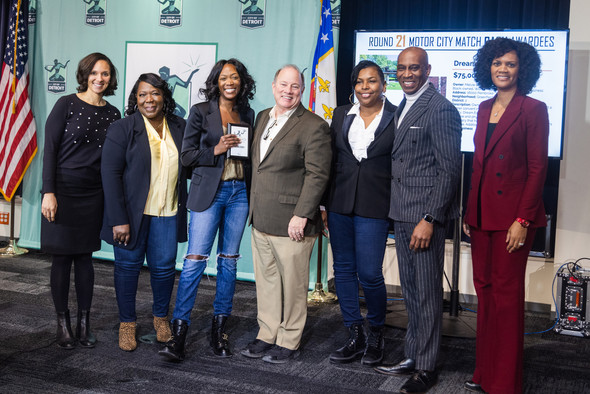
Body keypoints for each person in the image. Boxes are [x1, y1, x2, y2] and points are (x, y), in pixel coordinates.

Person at [462, 38, 548, 394]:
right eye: (497, 63)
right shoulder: (483, 107)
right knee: (484, 293)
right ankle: (485, 371)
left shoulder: (533, 108)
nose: (502, 69)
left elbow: (537, 168)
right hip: (482, 217)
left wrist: (523, 220)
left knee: (507, 298)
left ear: (521, 70)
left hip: (513, 220)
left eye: (510, 64)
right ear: (488, 67)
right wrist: (470, 211)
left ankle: (505, 383)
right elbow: (479, 166)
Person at [374, 47, 462, 394]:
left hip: (424, 217)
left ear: (427, 69)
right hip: (402, 211)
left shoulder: (441, 109)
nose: (407, 73)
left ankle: (426, 368)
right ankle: (413, 354)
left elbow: (449, 170)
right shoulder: (403, 105)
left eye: (414, 68)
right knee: (411, 291)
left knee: (426, 294)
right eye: (401, 68)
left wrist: (430, 217)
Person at [159, 59, 256, 362]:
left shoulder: (248, 113)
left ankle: (219, 331)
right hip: (208, 194)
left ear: (242, 82)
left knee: (228, 262)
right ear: (216, 81)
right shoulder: (201, 111)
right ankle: (179, 333)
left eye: (235, 77)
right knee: (194, 261)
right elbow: (186, 156)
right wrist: (215, 150)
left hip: (240, 192)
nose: (230, 82)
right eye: (225, 77)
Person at [240, 64, 331, 363]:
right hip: (261, 217)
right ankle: (267, 332)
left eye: (294, 86)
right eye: (283, 84)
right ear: (273, 85)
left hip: (293, 221)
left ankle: (289, 340)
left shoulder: (314, 125)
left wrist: (302, 214)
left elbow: (317, 174)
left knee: (292, 285)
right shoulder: (263, 116)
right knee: (266, 282)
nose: (288, 91)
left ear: (302, 90)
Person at [101, 73, 187, 352]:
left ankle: (161, 319)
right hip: (130, 217)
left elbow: (193, 161)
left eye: (155, 93)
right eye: (142, 95)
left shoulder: (179, 126)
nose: (149, 99)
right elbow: (110, 175)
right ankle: (127, 323)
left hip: (167, 212)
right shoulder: (122, 128)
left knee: (163, 270)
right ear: (135, 99)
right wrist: (118, 220)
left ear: (164, 97)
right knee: (127, 269)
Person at [41, 53, 120, 349]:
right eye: (95, 73)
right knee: (62, 258)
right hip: (62, 191)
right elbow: (50, 149)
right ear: (85, 74)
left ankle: (83, 324)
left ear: (111, 78)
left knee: (85, 259)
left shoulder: (113, 114)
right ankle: (62, 324)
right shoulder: (66, 104)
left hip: (93, 194)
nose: (100, 79)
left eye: (106, 74)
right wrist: (48, 192)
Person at [324, 60, 396, 366]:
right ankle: (355, 333)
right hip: (339, 203)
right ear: (353, 86)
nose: (365, 87)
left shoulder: (397, 115)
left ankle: (376, 331)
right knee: (342, 270)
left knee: (369, 273)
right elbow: (330, 159)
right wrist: (324, 205)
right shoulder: (341, 114)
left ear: (383, 84)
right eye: (359, 82)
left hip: (375, 204)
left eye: (371, 81)